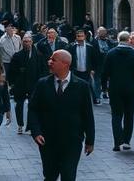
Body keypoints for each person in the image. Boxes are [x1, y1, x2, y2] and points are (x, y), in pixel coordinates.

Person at [28, 50, 96, 181]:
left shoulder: (81, 86)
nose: (49, 62)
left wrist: (90, 141)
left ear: (65, 64)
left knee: (68, 175)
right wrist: (36, 132)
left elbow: (87, 114)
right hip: (48, 140)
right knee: (50, 175)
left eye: (53, 60)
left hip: (72, 140)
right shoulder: (42, 84)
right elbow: (33, 109)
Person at [102, 30, 134, 150]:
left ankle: (117, 142)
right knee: (129, 115)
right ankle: (126, 141)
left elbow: (105, 72)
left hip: (115, 88)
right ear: (129, 40)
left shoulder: (111, 53)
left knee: (116, 115)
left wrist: (104, 87)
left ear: (118, 40)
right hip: (130, 89)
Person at [9, 33, 47, 134]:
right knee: (19, 105)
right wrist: (12, 83)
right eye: (25, 41)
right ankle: (20, 125)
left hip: (34, 84)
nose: (27, 43)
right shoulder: (17, 56)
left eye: (29, 41)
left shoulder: (39, 55)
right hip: (20, 85)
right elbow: (11, 71)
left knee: (33, 105)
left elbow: (43, 70)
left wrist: (42, 83)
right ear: (22, 42)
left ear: (32, 42)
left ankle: (30, 126)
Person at [69, 28, 100, 104]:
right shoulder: (72, 47)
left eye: (82, 36)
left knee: (90, 85)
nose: (80, 38)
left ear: (85, 37)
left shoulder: (90, 47)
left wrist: (93, 69)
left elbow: (94, 59)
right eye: (78, 36)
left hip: (87, 70)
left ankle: (95, 99)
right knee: (75, 85)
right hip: (76, 70)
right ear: (76, 37)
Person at [94, 27, 115, 99]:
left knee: (105, 79)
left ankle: (105, 92)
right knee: (97, 79)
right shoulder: (94, 41)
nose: (103, 34)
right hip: (98, 63)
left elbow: (113, 47)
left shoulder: (108, 41)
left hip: (107, 63)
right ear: (98, 32)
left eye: (104, 32)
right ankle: (97, 95)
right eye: (101, 32)